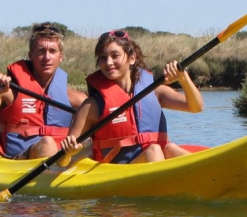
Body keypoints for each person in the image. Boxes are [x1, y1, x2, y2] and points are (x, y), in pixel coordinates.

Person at [59, 29, 203, 166]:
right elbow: (62, 161)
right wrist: (68, 152)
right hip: (117, 172)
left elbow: (196, 107)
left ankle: (205, 171)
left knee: (170, 148)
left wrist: (183, 79)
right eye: (103, 57)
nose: (108, 63)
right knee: (154, 151)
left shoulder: (154, 92)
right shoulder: (92, 106)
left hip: (154, 164)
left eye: (115, 56)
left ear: (132, 58)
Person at [0, 22, 86, 159]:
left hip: (63, 158)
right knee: (47, 143)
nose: (47, 57)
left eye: (52, 51)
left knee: (88, 143)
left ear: (61, 56)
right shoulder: (8, 92)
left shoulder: (75, 98)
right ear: (30, 55)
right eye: (41, 51)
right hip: (19, 159)